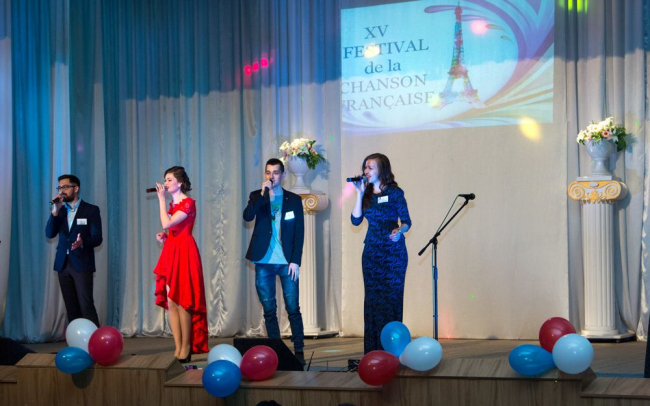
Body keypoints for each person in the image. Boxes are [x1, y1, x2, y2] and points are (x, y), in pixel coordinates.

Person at [243, 158, 306, 365]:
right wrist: (263, 195)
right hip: (264, 261)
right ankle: (276, 350)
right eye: (268, 172)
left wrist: (296, 261)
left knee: (292, 307)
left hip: (287, 262)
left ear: (283, 175)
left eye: (276, 172)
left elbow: (299, 232)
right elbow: (247, 216)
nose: (272, 176)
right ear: (265, 174)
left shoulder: (293, 200)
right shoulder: (257, 196)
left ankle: (299, 350)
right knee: (269, 310)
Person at [351, 153, 412, 354]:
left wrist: (399, 231)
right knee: (373, 301)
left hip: (393, 253)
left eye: (370, 167)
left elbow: (406, 222)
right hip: (372, 251)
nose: (366, 171)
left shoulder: (395, 192)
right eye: (365, 167)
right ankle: (373, 351)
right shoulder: (365, 193)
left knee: (391, 299)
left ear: (382, 170)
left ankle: (393, 350)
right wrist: (359, 194)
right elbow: (355, 221)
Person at [152, 166, 208, 362]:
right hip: (172, 251)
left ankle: (186, 347)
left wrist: (160, 200)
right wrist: (164, 236)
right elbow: (169, 228)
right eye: (165, 179)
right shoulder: (173, 204)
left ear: (180, 182)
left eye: (169, 180)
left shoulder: (188, 203)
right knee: (171, 301)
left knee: (184, 301)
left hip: (185, 252)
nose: (165, 183)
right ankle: (178, 347)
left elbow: (167, 223)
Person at [45, 174, 102, 327]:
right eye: (59, 188)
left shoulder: (91, 210)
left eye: (65, 187)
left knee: (86, 305)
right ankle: (76, 339)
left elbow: (98, 238)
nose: (61, 191)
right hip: (63, 264)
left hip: (81, 263)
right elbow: (49, 233)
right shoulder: (60, 211)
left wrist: (83, 242)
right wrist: (54, 212)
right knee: (71, 308)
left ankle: (93, 339)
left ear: (76, 188)